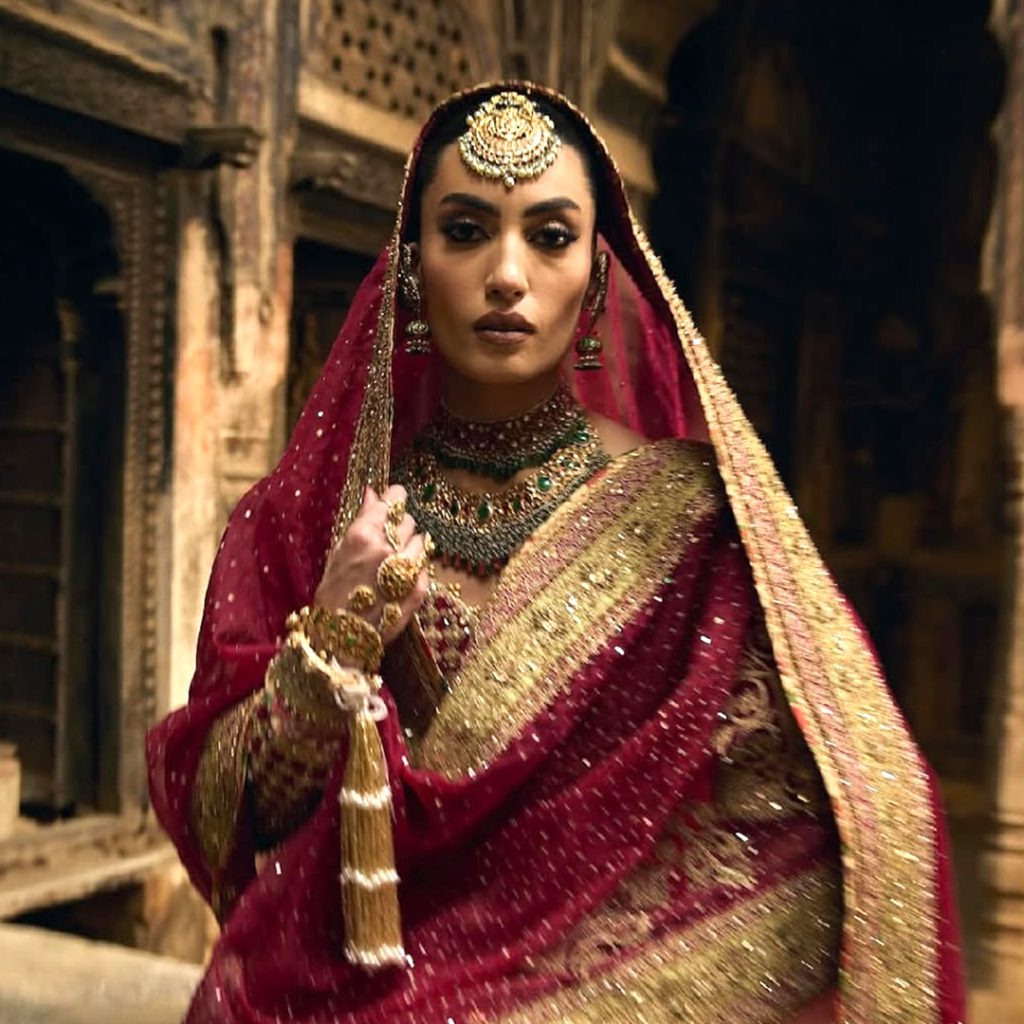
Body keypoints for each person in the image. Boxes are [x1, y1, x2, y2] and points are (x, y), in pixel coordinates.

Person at [147, 82, 966, 1023]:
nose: (507, 275)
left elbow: (811, 814)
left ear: (598, 271)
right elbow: (236, 817)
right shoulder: (306, 526)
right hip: (364, 977)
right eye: (465, 230)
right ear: (412, 272)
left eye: (549, 235)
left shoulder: (688, 520)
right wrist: (330, 644)